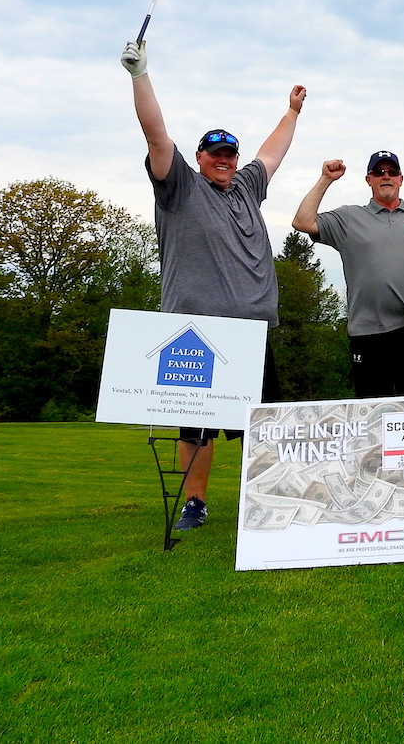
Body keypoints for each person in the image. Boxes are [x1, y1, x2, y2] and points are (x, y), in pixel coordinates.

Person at [121, 39, 307, 531]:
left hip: (253, 331)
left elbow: (272, 153)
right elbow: (155, 134)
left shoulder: (246, 187)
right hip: (197, 333)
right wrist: (140, 75)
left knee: (259, 426)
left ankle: (263, 500)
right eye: (216, 153)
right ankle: (195, 504)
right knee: (196, 429)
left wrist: (291, 111)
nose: (225, 160)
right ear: (200, 156)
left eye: (230, 153)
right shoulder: (179, 185)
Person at [291, 150, 404, 397]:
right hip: (367, 334)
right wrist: (326, 179)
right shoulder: (349, 218)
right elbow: (302, 221)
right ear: (368, 179)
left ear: (401, 179)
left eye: (392, 172)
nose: (386, 176)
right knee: (372, 420)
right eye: (378, 172)